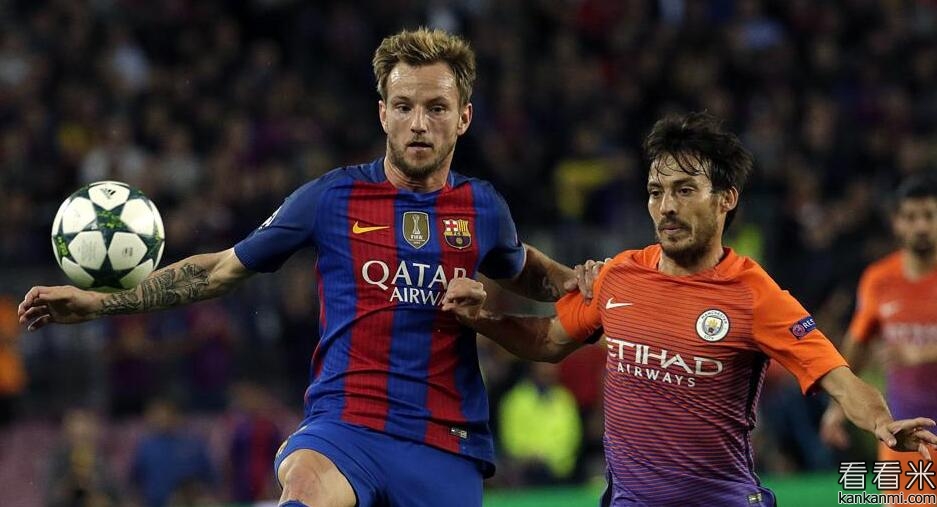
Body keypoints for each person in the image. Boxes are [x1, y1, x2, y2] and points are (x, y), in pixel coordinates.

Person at [18, 28, 579, 507]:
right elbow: (218, 270)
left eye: (436, 108)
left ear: (463, 118)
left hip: (444, 442)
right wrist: (99, 302)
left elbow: (524, 270)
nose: (418, 123)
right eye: (403, 106)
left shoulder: (483, 208)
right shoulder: (331, 198)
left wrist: (578, 283)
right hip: (347, 425)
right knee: (305, 482)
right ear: (382, 113)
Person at [442, 112, 937, 506]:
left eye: (684, 190)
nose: (666, 207)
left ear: (726, 199)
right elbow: (549, 341)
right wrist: (480, 321)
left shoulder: (755, 294)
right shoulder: (618, 275)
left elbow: (840, 379)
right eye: (656, 192)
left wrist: (880, 422)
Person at [820, 173, 937, 505]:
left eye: (929, 215)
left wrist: (922, 353)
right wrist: (838, 407)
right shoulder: (878, 280)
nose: (921, 226)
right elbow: (857, 345)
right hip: (904, 433)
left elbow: (914, 351)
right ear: (897, 223)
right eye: (911, 217)